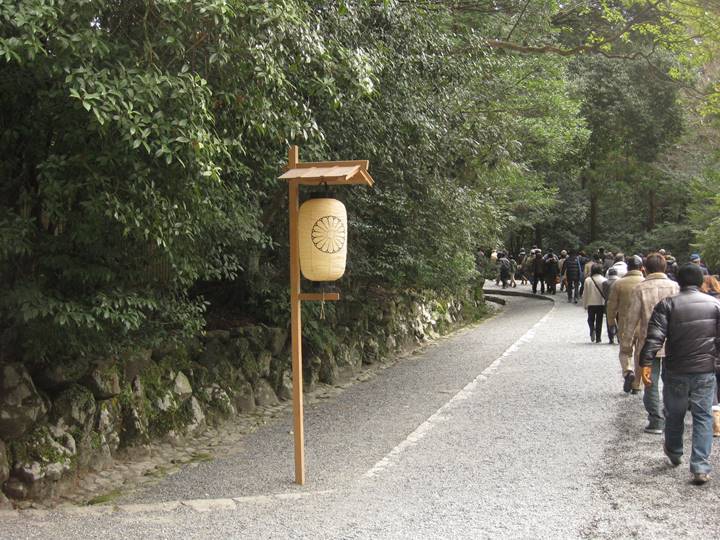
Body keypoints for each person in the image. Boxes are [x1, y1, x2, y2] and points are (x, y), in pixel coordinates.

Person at [640, 263, 720, 485]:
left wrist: (645, 363)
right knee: (703, 415)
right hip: (705, 370)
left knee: (674, 413)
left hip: (675, 368)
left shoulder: (667, 304)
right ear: (701, 281)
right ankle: (700, 467)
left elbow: (655, 336)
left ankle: (675, 451)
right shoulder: (715, 304)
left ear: (678, 281)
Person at [623, 253, 680, 433]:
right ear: (665, 268)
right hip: (673, 343)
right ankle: (672, 418)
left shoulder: (640, 289)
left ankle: (656, 420)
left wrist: (626, 344)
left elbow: (631, 319)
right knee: (671, 382)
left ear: (645, 269)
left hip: (648, 343)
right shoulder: (675, 287)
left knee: (650, 382)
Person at [606, 255, 645, 392]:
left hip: (625, 323)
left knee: (625, 351)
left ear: (628, 267)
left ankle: (628, 371)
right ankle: (636, 385)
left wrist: (611, 321)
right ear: (641, 267)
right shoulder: (645, 282)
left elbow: (611, 305)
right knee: (640, 354)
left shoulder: (619, 283)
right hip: (643, 324)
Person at [582, 264, 607, 343]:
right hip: (600, 303)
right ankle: (598, 337)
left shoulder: (588, 280)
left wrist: (585, 304)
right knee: (599, 321)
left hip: (591, 303)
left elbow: (585, 293)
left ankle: (592, 329)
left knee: (590, 319)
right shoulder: (604, 280)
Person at [603, 268, 621, 344]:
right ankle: (619, 337)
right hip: (619, 303)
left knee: (609, 320)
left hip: (608, 303)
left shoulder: (605, 283)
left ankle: (611, 338)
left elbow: (604, 294)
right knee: (619, 320)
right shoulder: (620, 282)